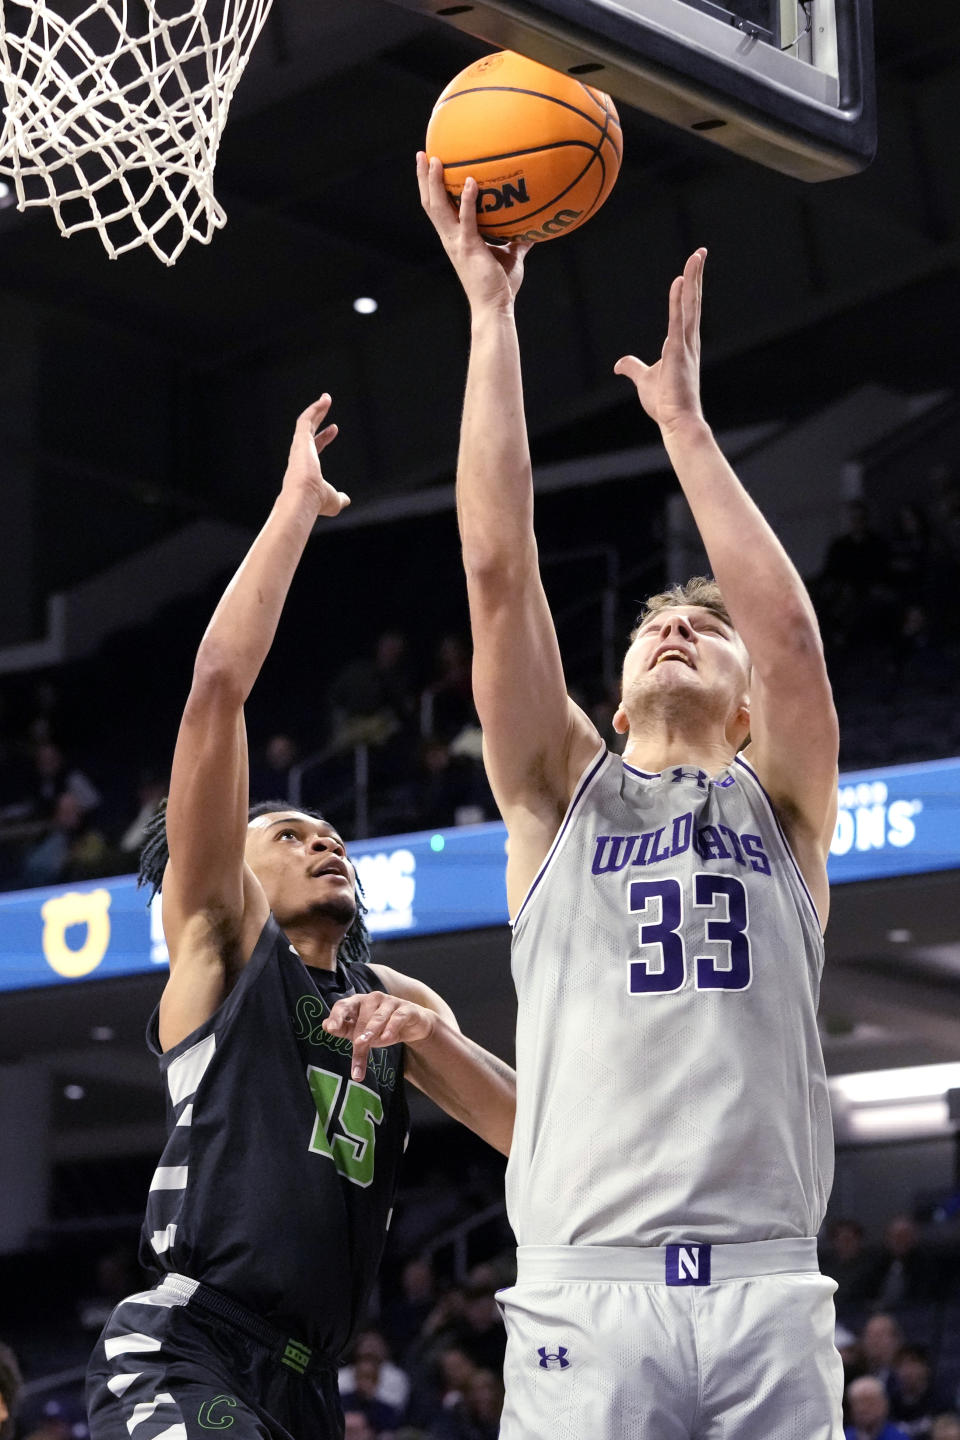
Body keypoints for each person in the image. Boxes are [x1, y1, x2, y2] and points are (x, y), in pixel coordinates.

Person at [419, 154, 843, 1438]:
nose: (673, 630)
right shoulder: (558, 797)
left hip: (769, 1288)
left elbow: (792, 639)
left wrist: (688, 433)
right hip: (587, 1299)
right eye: (653, 625)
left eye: (698, 633)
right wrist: (493, 317)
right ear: (610, 705)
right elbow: (499, 571)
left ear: (748, 704)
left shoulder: (788, 816)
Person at [85, 396, 516, 1440]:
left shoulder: (395, 999)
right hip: (189, 1344)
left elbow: (530, 1134)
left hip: (308, 1384)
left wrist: (437, 1037)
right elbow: (217, 690)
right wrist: (292, 511)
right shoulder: (223, 945)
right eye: (288, 834)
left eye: (332, 834)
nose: (325, 842)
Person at [845, 1376, 911, 1440]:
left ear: (883, 1405)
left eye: (869, 1402)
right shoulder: (843, 1436)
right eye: (857, 1404)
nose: (862, 1408)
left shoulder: (898, 1437)